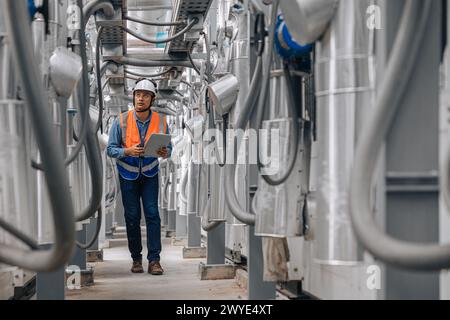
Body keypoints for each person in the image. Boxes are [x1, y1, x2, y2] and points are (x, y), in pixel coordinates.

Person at [107, 78, 171, 275]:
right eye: (138, 95)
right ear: (133, 97)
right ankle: (136, 259)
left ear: (152, 99)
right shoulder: (121, 120)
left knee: (153, 215)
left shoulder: (160, 120)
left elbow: (169, 148)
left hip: (150, 173)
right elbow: (110, 149)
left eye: (145, 95)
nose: (140, 99)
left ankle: (154, 261)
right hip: (128, 175)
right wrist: (127, 152)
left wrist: (164, 152)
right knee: (132, 217)